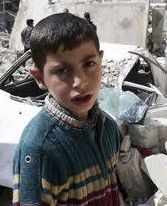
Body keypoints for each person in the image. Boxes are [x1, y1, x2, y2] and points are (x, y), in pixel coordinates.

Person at [12, 13, 120, 205]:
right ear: (39, 78)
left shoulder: (108, 128)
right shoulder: (39, 149)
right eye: (62, 70)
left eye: (89, 64)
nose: (80, 82)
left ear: (101, 60)